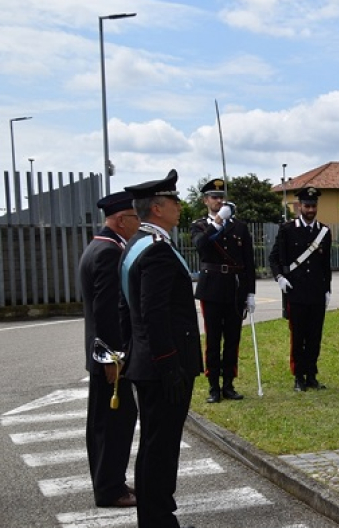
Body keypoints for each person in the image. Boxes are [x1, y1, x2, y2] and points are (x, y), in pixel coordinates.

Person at [119, 170, 202, 528]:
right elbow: (153, 313)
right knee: (160, 447)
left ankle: (157, 515)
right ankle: (158, 519)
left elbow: (126, 308)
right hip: (164, 367)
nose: (180, 207)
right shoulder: (155, 251)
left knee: (157, 443)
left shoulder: (138, 244)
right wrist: (169, 365)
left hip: (149, 362)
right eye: (174, 201)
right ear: (157, 207)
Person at [79, 191, 139, 508]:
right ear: (119, 220)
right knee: (114, 424)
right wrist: (113, 358)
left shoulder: (100, 246)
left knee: (105, 423)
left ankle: (110, 482)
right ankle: (110, 489)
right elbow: (107, 312)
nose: (138, 223)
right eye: (134, 218)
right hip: (110, 359)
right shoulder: (109, 253)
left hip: (102, 356)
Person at [191, 178, 256, 403]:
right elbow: (201, 246)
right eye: (214, 197)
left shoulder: (239, 226)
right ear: (205, 200)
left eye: (221, 197)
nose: (219, 201)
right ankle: (213, 387)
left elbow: (249, 261)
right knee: (213, 340)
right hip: (211, 288)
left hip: (235, 288)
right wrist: (218, 222)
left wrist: (250, 292)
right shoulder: (200, 225)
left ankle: (228, 383)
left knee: (232, 339)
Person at [269, 187, 332, 391]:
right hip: (295, 292)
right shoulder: (287, 229)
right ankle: (298, 376)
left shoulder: (324, 232)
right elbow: (274, 258)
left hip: (316, 292)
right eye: (307, 206)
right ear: (300, 207)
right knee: (298, 337)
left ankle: (311, 375)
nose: (311, 209)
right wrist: (279, 277)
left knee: (315, 336)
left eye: (313, 206)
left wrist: (327, 288)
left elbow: (326, 264)